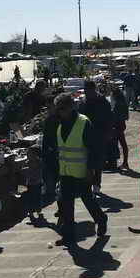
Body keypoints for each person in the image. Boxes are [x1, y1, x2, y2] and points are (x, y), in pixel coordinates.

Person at [54, 93, 108, 245]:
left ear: (71, 107)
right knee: (66, 203)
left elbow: (94, 149)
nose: (59, 112)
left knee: (87, 199)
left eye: (62, 108)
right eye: (58, 109)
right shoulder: (59, 123)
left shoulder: (83, 123)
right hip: (65, 172)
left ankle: (101, 219)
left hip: (82, 171)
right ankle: (68, 236)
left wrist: (91, 171)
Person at [82, 80, 113, 190]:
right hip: (87, 135)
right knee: (88, 161)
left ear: (92, 89)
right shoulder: (85, 101)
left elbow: (109, 118)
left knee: (98, 161)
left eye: (87, 90)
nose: (85, 93)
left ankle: (97, 183)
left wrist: (109, 132)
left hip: (100, 135)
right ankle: (89, 183)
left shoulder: (102, 101)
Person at [41, 96, 60, 202]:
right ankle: (50, 192)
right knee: (49, 172)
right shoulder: (49, 120)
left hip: (59, 151)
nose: (48, 109)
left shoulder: (60, 119)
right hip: (50, 151)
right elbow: (46, 137)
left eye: (50, 107)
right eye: (47, 107)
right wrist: (44, 151)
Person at [110, 84, 129, 171]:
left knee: (115, 145)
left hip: (116, 126)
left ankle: (117, 163)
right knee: (123, 144)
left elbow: (113, 116)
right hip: (122, 125)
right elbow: (126, 116)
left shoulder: (117, 104)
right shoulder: (124, 103)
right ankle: (125, 162)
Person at [24, 145, 43, 222]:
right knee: (31, 198)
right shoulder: (29, 162)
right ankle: (32, 212)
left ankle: (37, 211)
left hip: (36, 183)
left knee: (35, 198)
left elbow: (36, 173)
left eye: (29, 153)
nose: (27, 155)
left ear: (35, 155)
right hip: (30, 183)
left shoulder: (38, 163)